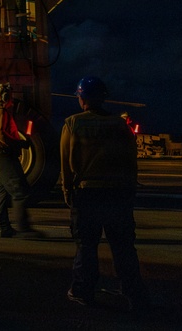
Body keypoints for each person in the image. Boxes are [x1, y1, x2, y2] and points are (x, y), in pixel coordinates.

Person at [61, 76, 148, 311]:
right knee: (123, 246)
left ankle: (82, 291)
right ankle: (133, 293)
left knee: (86, 246)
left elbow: (67, 163)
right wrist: (130, 190)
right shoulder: (120, 125)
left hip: (87, 194)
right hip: (118, 194)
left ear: (81, 98)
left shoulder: (72, 123)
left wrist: (67, 191)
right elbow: (131, 160)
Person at [0, 83, 42, 238]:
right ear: (4, 96)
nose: (11, 98)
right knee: (20, 192)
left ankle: (3, 228)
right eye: (9, 95)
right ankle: (24, 230)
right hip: (4, 157)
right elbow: (0, 134)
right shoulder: (0, 112)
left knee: (2, 192)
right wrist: (19, 144)